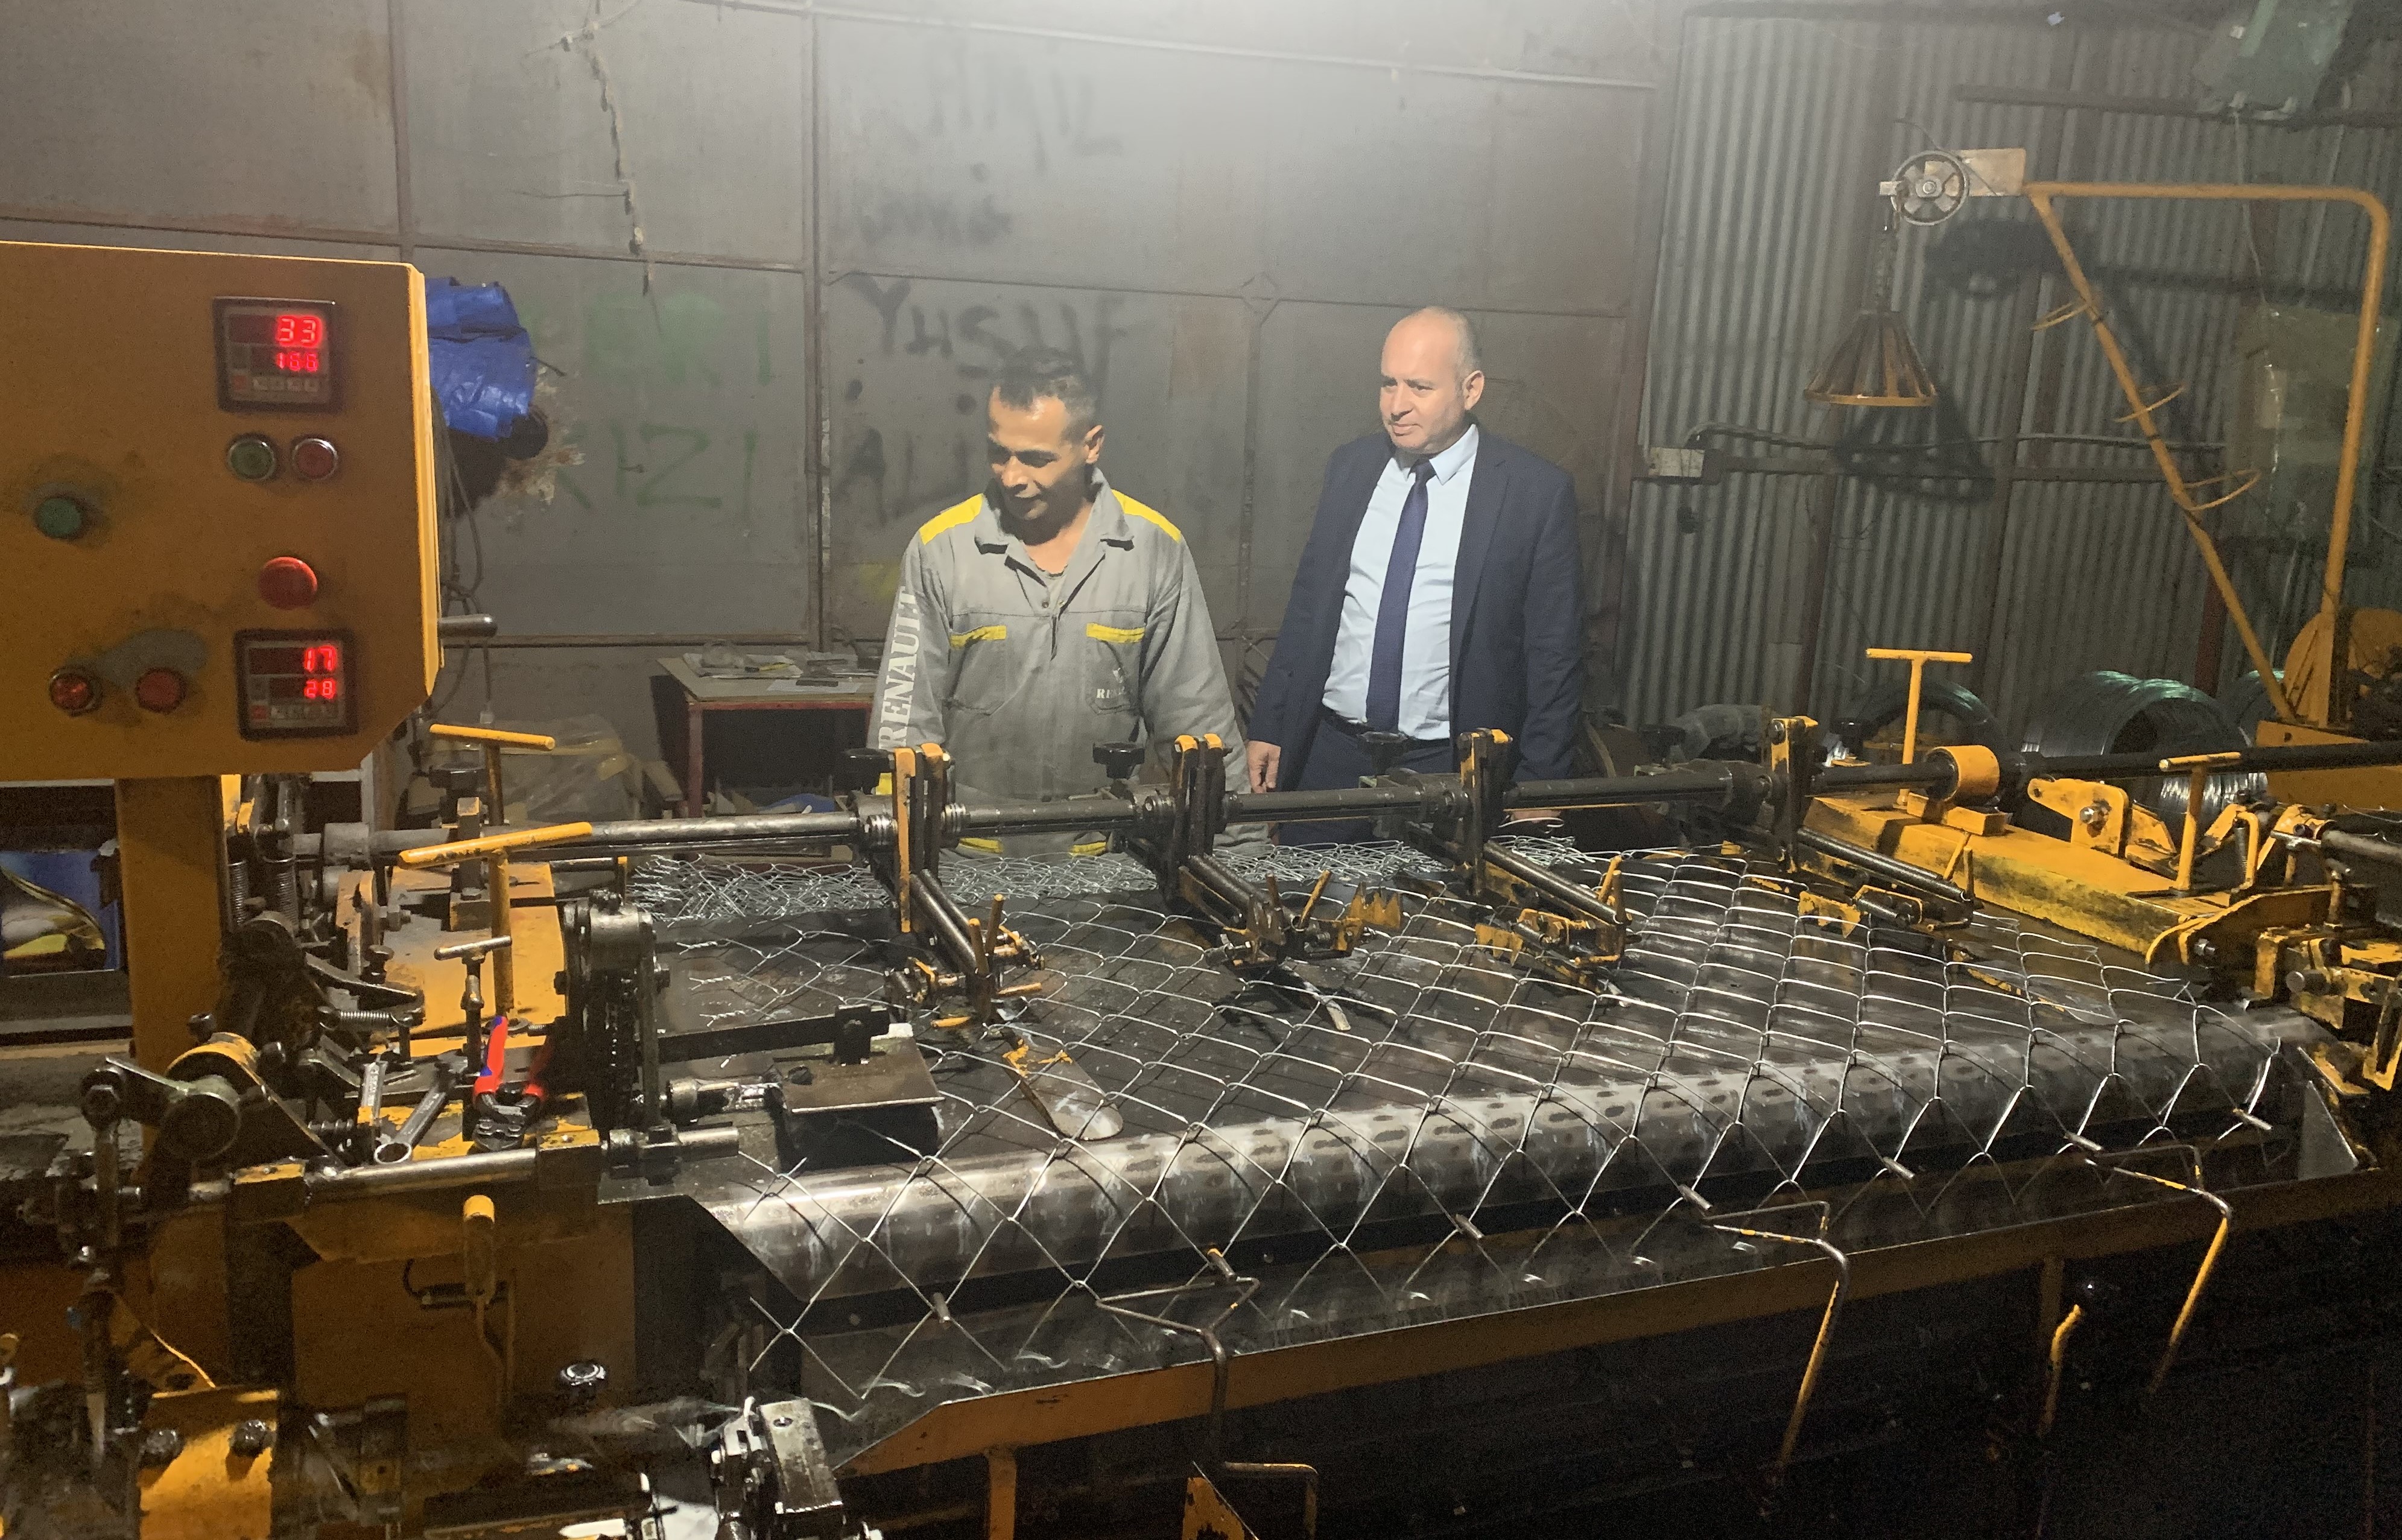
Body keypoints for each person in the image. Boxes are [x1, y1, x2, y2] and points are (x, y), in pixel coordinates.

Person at [869, 347, 1245, 851]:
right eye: (999, 452)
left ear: (1091, 445)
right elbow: (902, 730)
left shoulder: (1152, 552)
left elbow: (1199, 725)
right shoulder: (942, 552)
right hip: (967, 864)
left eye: (1036, 458)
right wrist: (895, 859)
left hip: (1106, 867)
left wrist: (1239, 858)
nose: (1011, 477)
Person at [1245, 307, 1583, 840]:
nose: (1397, 405)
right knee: (1304, 891)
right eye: (1389, 383)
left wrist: (1541, 784)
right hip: (1328, 756)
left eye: (1420, 387)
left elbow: (1555, 655)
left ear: (1471, 389)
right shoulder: (1351, 468)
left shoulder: (1533, 494)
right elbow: (1309, 607)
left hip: (1448, 768)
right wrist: (1272, 722)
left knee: (1434, 897)